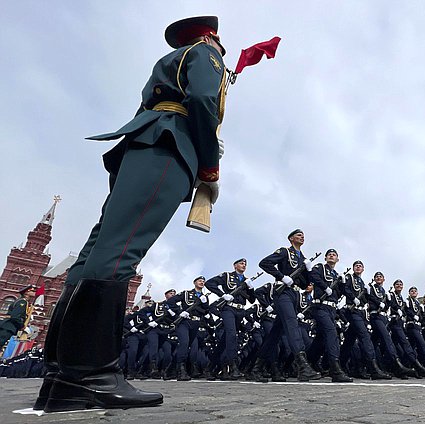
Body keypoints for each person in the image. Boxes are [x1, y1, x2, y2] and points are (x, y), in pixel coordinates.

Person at [34, 16, 228, 412]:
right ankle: (90, 376)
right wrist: (209, 163)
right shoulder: (206, 53)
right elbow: (205, 100)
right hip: (170, 144)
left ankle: (62, 376)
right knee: (121, 253)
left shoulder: (172, 60)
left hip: (145, 142)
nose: (222, 46)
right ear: (210, 35)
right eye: (220, 40)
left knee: (97, 252)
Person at [251, 229, 320, 382]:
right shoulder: (285, 252)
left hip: (294, 295)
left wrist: (308, 271)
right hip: (282, 293)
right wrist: (281, 277)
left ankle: (256, 368)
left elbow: (304, 285)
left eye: (303, 235)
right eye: (298, 235)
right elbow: (265, 263)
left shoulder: (303, 258)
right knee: (292, 324)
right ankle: (303, 366)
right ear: (290, 239)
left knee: (274, 335)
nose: (302, 236)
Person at [306, 249, 353, 382]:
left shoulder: (336, 275)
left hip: (331, 310)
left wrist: (343, 283)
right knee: (331, 333)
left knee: (321, 338)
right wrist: (324, 286)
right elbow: (313, 276)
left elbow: (342, 292)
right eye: (329, 255)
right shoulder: (320, 268)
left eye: (334, 255)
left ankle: (309, 362)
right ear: (326, 258)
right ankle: (335, 370)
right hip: (320, 307)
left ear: (337, 259)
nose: (332, 256)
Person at [205, 258, 255, 380]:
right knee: (232, 336)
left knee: (225, 340)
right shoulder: (227, 276)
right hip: (228, 309)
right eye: (241, 263)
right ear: (235, 265)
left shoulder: (246, 280)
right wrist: (222, 295)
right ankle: (233, 367)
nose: (244, 265)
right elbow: (210, 283)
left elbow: (252, 300)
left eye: (245, 264)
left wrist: (251, 288)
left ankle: (210, 367)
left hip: (240, 311)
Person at [0, 285, 36, 350]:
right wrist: (21, 325)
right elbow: (15, 317)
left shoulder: (23, 301)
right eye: (32, 291)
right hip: (8, 327)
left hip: (7, 326)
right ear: (26, 293)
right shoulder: (22, 302)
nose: (35, 292)